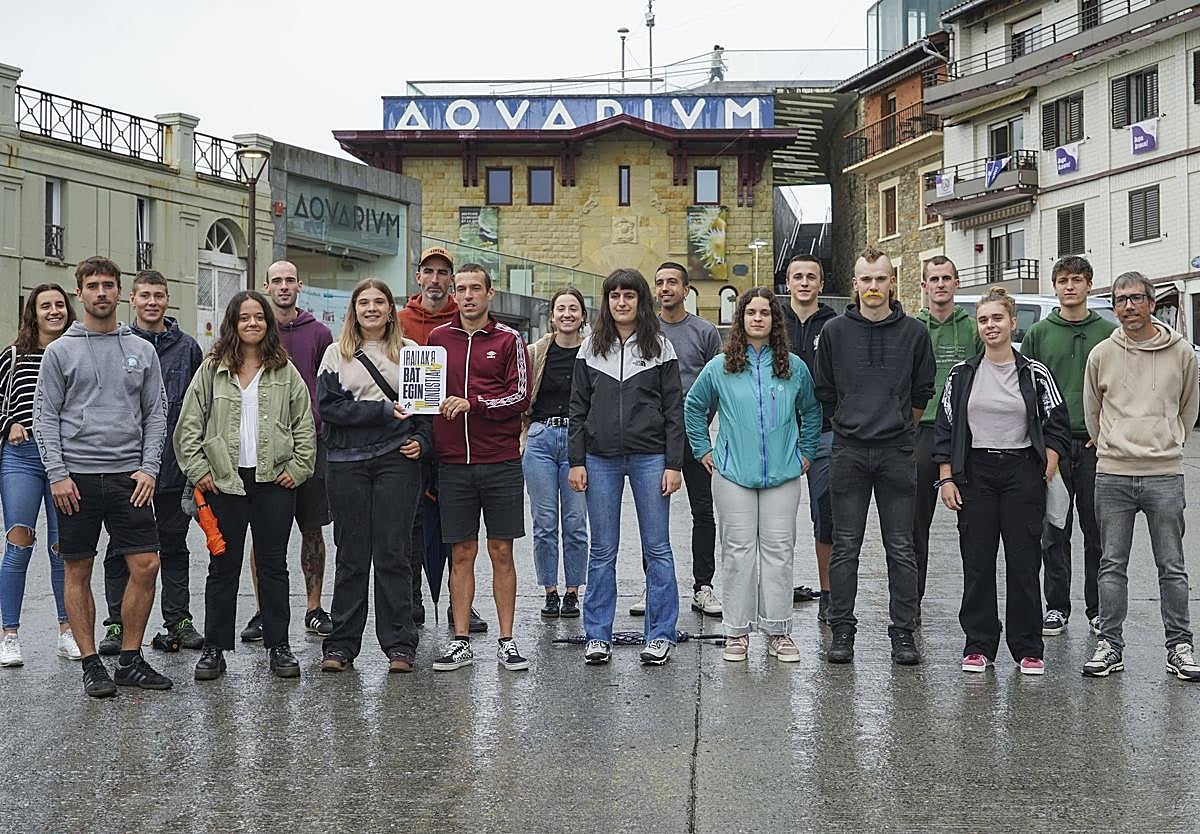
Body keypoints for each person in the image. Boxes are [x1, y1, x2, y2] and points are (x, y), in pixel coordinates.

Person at [33, 256, 169, 698]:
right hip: (77, 478)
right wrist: (57, 474)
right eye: (92, 286)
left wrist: (149, 468)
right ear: (80, 294)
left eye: (109, 285)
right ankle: (92, 664)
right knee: (78, 567)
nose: (101, 293)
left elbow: (156, 413)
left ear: (120, 292)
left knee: (146, 565)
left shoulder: (142, 350)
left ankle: (129, 658)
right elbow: (44, 415)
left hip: (130, 476)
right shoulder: (60, 351)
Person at [175, 290, 316, 682]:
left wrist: (300, 467)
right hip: (224, 482)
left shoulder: (284, 370)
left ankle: (279, 646)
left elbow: (304, 423)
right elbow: (189, 424)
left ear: (268, 324)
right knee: (223, 567)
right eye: (244, 318)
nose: (252, 324)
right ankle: (214, 650)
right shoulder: (213, 368)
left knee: (273, 567)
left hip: (274, 481)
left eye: (259, 318)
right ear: (232, 324)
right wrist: (198, 469)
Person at [934, 287, 1070, 675]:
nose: (990, 326)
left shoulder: (1035, 373)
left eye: (997, 319)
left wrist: (1049, 461)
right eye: (983, 320)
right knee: (977, 562)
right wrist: (946, 478)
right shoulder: (962, 375)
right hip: (974, 474)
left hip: (1021, 473)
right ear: (978, 327)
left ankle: (1028, 648)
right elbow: (945, 428)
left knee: (1024, 563)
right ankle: (978, 644)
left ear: (1013, 323)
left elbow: (1057, 422)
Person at [685, 288, 821, 663]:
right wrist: (704, 450)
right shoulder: (719, 367)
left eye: (765, 313)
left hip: (783, 475)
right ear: (740, 320)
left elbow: (811, 411)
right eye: (751, 313)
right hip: (732, 475)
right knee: (737, 552)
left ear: (774, 321)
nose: (758, 318)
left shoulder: (794, 367)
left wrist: (806, 452)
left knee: (779, 551)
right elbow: (694, 407)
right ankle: (737, 632)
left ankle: (778, 631)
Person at [814, 246, 934, 666]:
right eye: (866, 279)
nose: (873, 287)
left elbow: (922, 392)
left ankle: (903, 632)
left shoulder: (914, 334)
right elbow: (825, 390)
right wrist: (849, 420)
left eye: (881, 279)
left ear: (892, 282)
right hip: (848, 450)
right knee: (846, 545)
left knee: (901, 547)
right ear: (854, 285)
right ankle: (842, 630)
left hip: (896, 451)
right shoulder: (834, 333)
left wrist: (899, 422)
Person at [1082, 273, 1200, 681]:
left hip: (1164, 473)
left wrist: (1170, 441)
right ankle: (1110, 645)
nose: (1128, 307)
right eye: (1120, 300)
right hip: (1113, 473)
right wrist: (1111, 445)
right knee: (1111, 565)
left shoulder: (1182, 352)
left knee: (1172, 566)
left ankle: (1179, 647)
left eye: (1135, 298)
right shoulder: (1101, 354)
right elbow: (1092, 413)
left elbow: (1188, 407)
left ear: (1152, 303)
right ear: (1113, 307)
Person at [569, 268, 683, 667]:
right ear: (607, 301)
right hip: (599, 459)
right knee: (602, 551)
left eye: (629, 296)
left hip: (651, 457)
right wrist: (576, 460)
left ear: (641, 301)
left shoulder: (661, 347)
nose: (621, 302)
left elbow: (674, 410)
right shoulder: (589, 348)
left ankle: (660, 634)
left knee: (658, 548)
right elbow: (577, 409)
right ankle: (597, 635)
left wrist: (674, 463)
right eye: (614, 295)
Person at [317, 279, 431, 673]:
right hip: (347, 463)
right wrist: (381, 411)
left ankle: (400, 645)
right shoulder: (336, 354)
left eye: (378, 302)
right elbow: (330, 410)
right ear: (354, 309)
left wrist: (422, 441)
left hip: (396, 462)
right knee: (351, 555)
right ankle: (341, 645)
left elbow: (424, 412)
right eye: (363, 302)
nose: (371, 308)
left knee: (393, 553)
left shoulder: (413, 353)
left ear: (390, 309)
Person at [427, 264, 531, 673]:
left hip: (500, 460)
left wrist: (476, 403)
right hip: (453, 463)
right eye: (461, 289)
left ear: (491, 293)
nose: (467, 295)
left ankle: (506, 640)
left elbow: (521, 396)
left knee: (501, 550)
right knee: (461, 552)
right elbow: (424, 391)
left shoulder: (509, 339)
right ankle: (461, 639)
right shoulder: (437, 339)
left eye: (475, 288)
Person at [100, 270, 204, 655]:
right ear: (132, 299)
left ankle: (178, 619)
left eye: (159, 295)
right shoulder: (116, 344)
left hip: (174, 469)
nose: (152, 302)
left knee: (174, 546)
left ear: (168, 299)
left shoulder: (188, 348)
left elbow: (198, 408)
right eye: (145, 295)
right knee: (120, 551)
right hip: (126, 470)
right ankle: (116, 624)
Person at [1021, 255, 1115, 638]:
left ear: (1089, 285)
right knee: (1054, 530)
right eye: (1063, 280)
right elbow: (1027, 391)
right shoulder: (1039, 334)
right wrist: (1040, 442)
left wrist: (1105, 427)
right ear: (1055, 286)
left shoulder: (1108, 332)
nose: (1070, 286)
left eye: (1077, 279)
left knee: (1098, 532)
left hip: (1096, 446)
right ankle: (1057, 607)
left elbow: (1120, 385)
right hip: (1053, 449)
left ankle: (1097, 608)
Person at [240, 260, 333, 643]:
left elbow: (329, 386)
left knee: (312, 529)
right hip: (263, 447)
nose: (282, 286)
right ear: (266, 286)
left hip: (311, 444)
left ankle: (314, 607)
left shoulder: (320, 333)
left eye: (289, 280)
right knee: (262, 534)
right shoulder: (255, 330)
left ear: (300, 285)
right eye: (275, 281)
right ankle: (263, 612)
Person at [399, 246, 485, 633]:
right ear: (418, 276)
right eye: (428, 272)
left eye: (442, 273)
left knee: (457, 527)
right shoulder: (399, 320)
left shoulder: (463, 318)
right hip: (411, 438)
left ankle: (459, 604)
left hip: (454, 440)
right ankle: (412, 599)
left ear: (451, 280)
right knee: (411, 523)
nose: (435, 279)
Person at [0, 284, 79, 667]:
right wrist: (9, 423)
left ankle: (67, 632)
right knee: (19, 541)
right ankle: (10, 635)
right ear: (33, 312)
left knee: (63, 548)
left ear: (68, 310)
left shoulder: (78, 350)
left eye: (59, 305)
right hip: (23, 456)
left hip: (66, 459)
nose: (53, 311)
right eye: (45, 306)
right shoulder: (14, 355)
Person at [913, 256, 980, 614]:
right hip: (922, 432)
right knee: (913, 527)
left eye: (946, 278)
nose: (940, 284)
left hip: (966, 435)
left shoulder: (972, 329)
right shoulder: (913, 328)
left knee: (974, 526)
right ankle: (912, 604)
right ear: (923, 286)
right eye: (933, 279)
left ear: (956, 283)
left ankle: (976, 608)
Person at [655, 261, 722, 617]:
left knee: (703, 512)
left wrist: (699, 428)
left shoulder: (705, 332)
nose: (665, 288)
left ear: (686, 289)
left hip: (695, 437)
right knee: (654, 515)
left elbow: (717, 384)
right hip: (655, 437)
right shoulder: (646, 331)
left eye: (672, 283)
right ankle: (655, 586)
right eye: (660, 283)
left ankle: (703, 586)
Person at [524, 287, 589, 619]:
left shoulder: (592, 352)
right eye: (561, 308)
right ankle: (549, 590)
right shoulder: (536, 352)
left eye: (573, 308)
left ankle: (573, 590)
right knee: (545, 521)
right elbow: (522, 394)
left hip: (579, 442)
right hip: (540, 438)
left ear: (582, 315)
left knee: (576, 521)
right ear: (552, 315)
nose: (567, 314)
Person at [782, 254, 837, 622]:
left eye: (811, 277)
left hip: (825, 432)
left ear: (821, 284)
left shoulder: (836, 323)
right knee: (773, 519)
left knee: (827, 514)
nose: (804, 282)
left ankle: (829, 593)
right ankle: (772, 589)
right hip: (778, 432)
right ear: (788, 283)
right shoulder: (771, 321)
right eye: (797, 276)